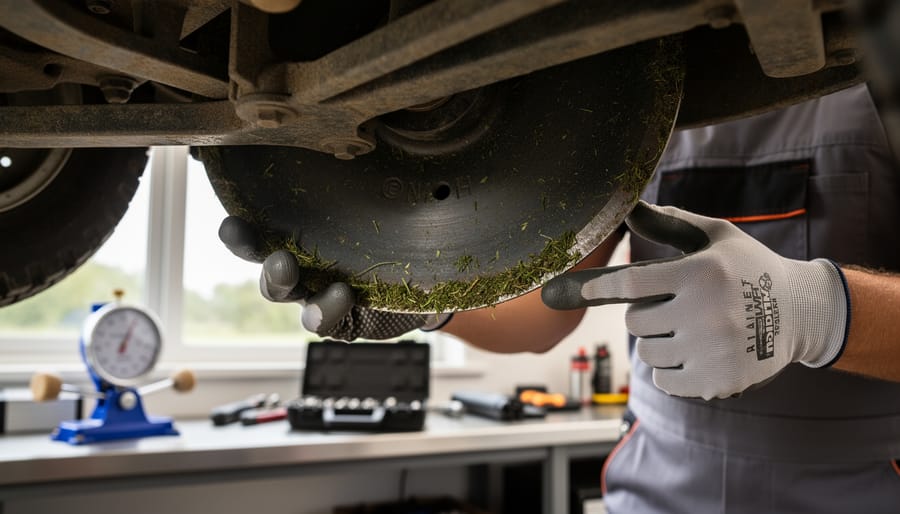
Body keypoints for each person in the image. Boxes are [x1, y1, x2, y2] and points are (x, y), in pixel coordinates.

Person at [220, 83, 900, 512]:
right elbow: (549, 308)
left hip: (858, 484)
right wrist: (429, 305)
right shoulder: (648, 86)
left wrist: (816, 310)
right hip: (661, 482)